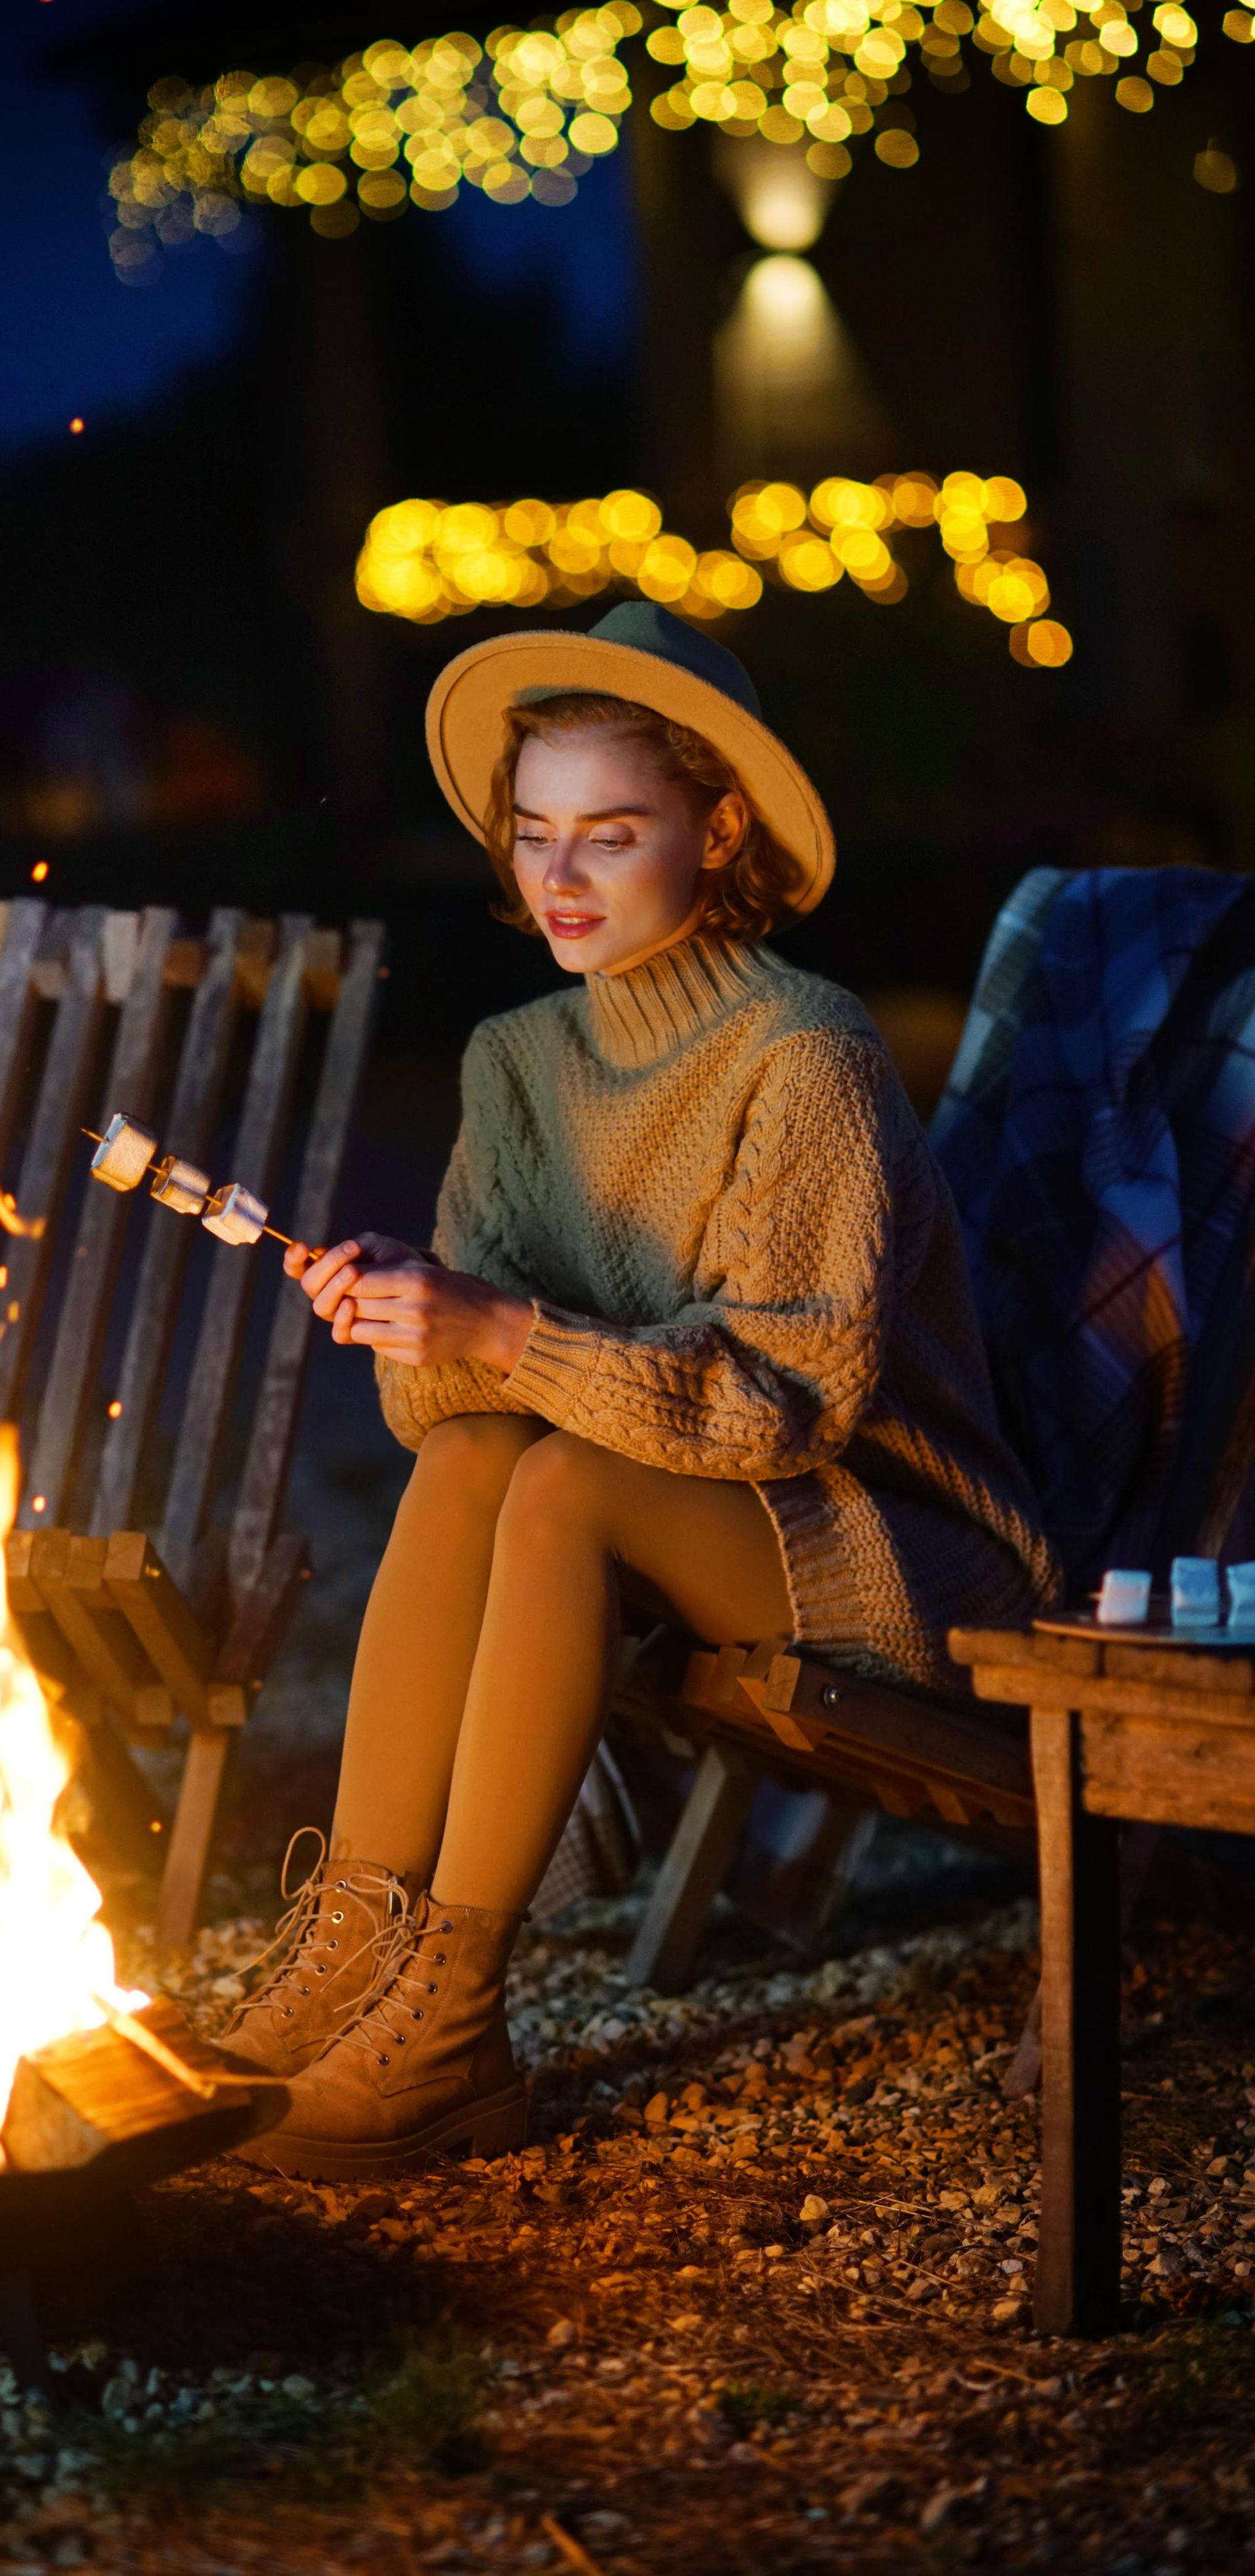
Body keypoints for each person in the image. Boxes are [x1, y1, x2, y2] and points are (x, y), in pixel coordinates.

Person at [226, 600, 1056, 2181]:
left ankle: (455, 2017)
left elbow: (784, 1408)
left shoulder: (800, 1053)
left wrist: (500, 1330)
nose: (557, 877)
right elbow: (446, 1421)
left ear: (716, 827)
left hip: (889, 1537)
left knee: (555, 1475)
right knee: (485, 1462)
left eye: (609, 834)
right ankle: (350, 1946)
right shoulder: (515, 1061)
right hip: (642, 1506)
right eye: (532, 834)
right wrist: (417, 1321)